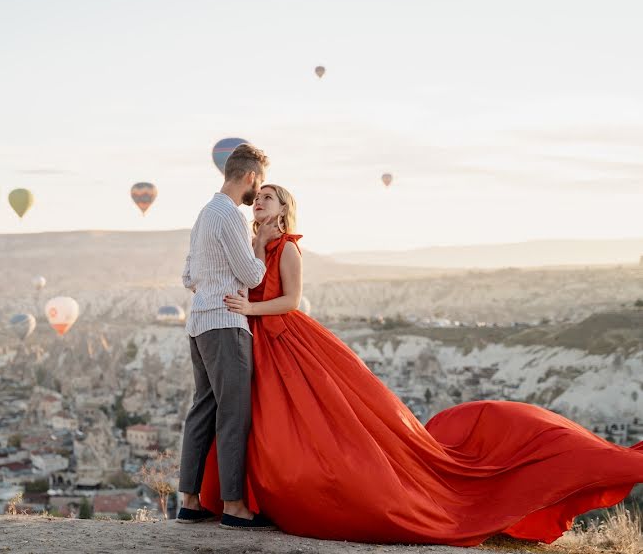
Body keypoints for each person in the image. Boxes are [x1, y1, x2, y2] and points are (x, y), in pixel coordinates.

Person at [193, 183, 643, 545]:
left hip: (285, 344)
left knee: (308, 427)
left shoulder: (288, 248)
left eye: (267, 197)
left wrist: (249, 310)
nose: (259, 202)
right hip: (255, 345)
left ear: (283, 209)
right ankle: (247, 498)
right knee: (253, 423)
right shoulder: (251, 245)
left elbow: (291, 301)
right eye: (259, 197)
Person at [176, 143, 281, 530]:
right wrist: (261, 244)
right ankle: (234, 506)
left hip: (198, 323)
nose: (259, 191)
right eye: (261, 182)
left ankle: (188, 501)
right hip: (225, 324)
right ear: (251, 177)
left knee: (202, 408)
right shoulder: (229, 216)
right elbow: (253, 277)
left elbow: (188, 277)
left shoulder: (204, 215)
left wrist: (210, 282)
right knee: (234, 413)